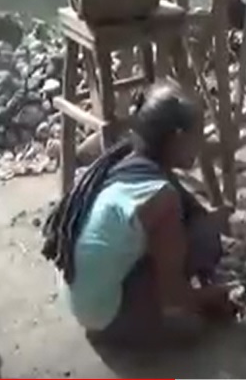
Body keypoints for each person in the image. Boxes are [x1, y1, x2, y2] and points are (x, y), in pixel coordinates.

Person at [42, 81, 233, 350]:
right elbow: (173, 297)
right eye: (198, 135)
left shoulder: (126, 160)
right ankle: (131, 329)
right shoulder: (162, 198)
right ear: (178, 138)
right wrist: (210, 296)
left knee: (201, 228)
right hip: (103, 317)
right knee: (191, 326)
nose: (202, 143)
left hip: (78, 295)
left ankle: (131, 303)